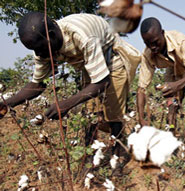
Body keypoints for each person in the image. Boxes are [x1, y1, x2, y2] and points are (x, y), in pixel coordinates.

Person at [0, 12, 141, 162]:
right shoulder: (42, 45)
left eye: (40, 49)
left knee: (113, 113)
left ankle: (119, 155)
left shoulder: (82, 36)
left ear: (52, 35)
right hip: (89, 63)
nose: (39, 54)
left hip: (112, 58)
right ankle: (89, 157)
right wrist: (6, 104)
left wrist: (65, 104)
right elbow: (37, 85)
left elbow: (102, 82)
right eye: (34, 50)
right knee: (90, 114)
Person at [137, 17, 185, 170]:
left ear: (162, 33)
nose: (153, 47)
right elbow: (141, 88)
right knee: (171, 107)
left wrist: (177, 85)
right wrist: (141, 119)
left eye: (155, 42)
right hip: (173, 72)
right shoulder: (148, 53)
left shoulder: (180, 41)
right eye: (148, 44)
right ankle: (172, 146)